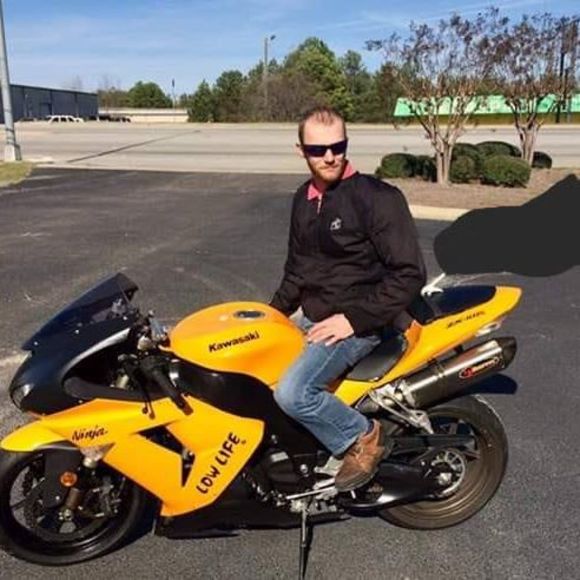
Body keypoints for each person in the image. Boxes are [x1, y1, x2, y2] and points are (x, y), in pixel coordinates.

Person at [270, 106, 426, 492]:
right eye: (317, 150)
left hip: (362, 322)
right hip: (315, 317)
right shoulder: (303, 199)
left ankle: (364, 436)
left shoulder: (377, 198)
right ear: (301, 150)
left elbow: (409, 274)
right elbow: (297, 271)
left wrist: (352, 321)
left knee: (293, 393)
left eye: (337, 147)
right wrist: (269, 316)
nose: (329, 157)